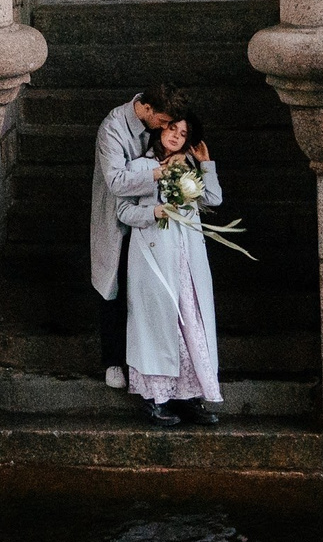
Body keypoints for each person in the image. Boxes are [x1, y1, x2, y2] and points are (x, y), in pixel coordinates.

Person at [117, 113, 223, 428]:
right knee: (157, 324)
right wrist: (154, 211)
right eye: (172, 129)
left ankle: (189, 397)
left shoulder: (189, 167)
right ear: (161, 129)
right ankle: (155, 399)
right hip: (153, 254)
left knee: (191, 322)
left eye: (183, 133)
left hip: (187, 257)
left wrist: (205, 163)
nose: (176, 136)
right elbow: (123, 210)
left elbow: (214, 199)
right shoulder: (139, 166)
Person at [90, 83, 182, 391]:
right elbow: (116, 181)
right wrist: (157, 173)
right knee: (113, 286)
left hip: (153, 220)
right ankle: (113, 361)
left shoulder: (157, 124)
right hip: (119, 216)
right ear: (145, 108)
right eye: (162, 121)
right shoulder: (113, 128)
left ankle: (144, 362)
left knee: (143, 291)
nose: (164, 127)